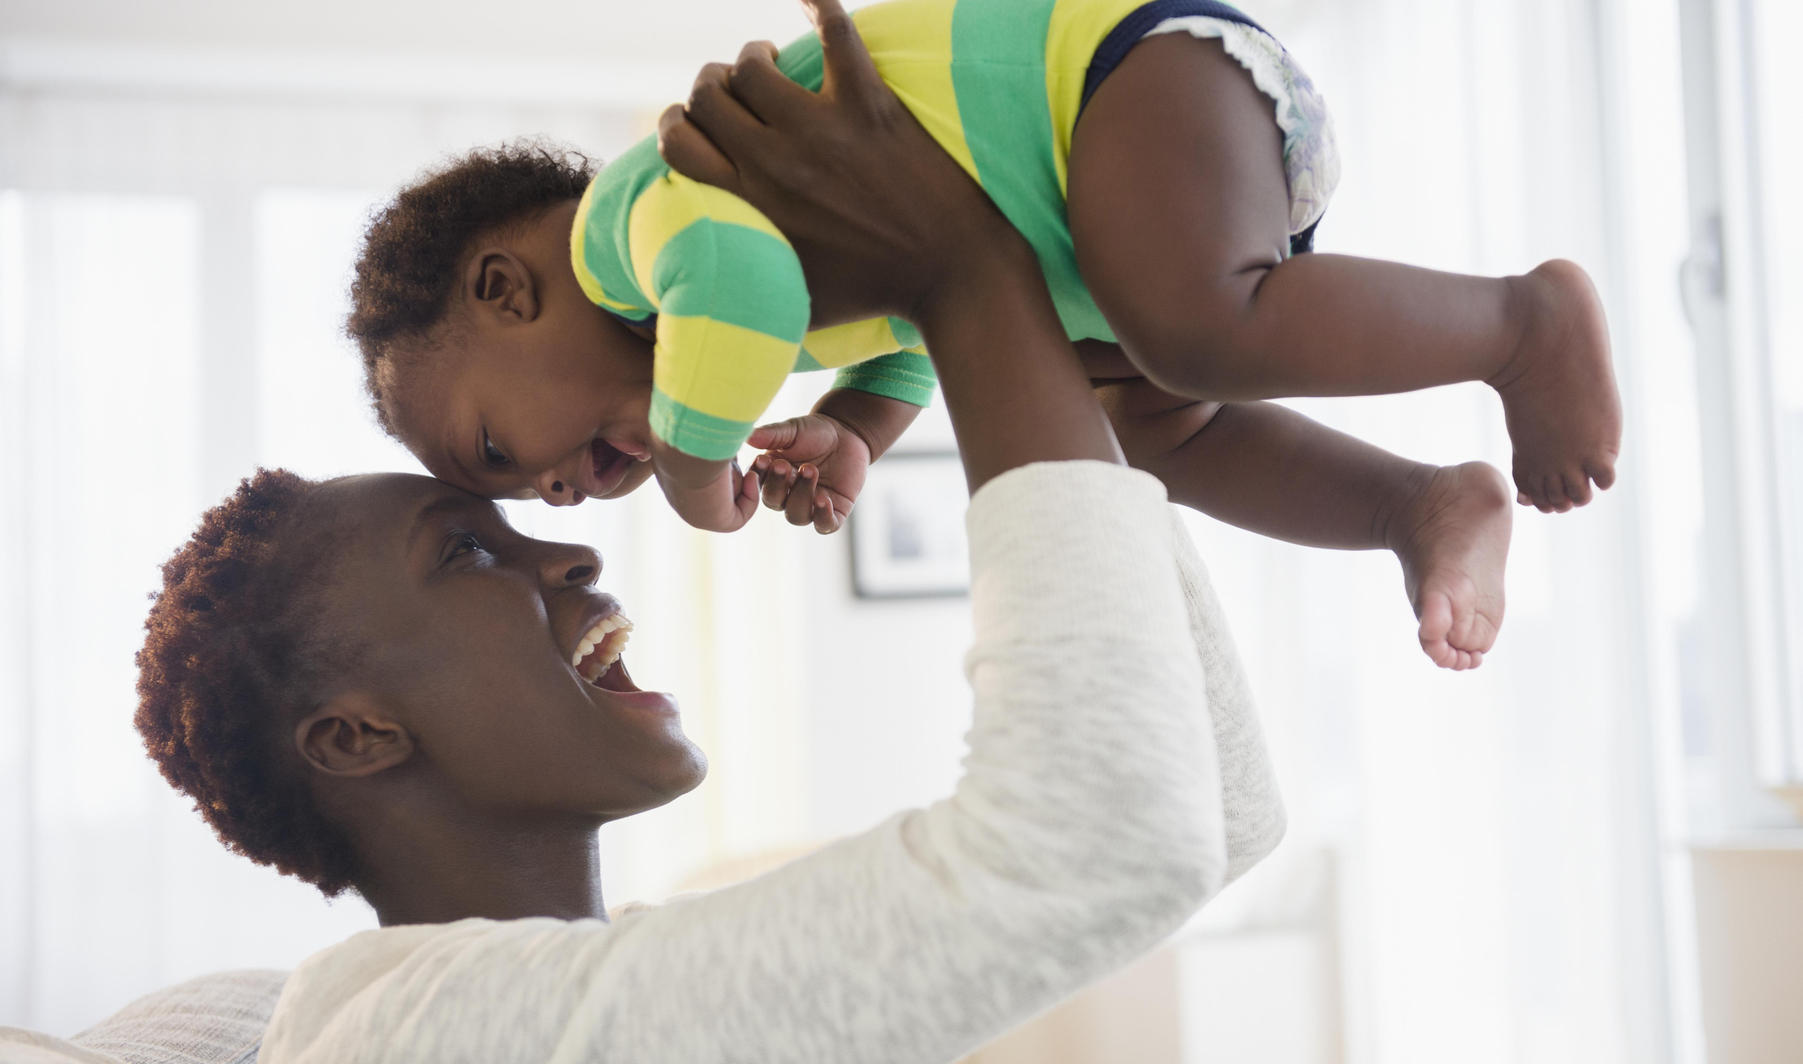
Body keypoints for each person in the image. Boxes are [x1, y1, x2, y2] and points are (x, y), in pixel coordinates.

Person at [131, 6, 1284, 1064]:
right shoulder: (398, 1054)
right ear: (355, 735)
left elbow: (1214, 817)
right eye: (467, 555)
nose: (575, 555)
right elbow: (1106, 845)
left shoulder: (647, 976)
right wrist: (971, 274)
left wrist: (1080, 380)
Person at [341, 0, 1622, 671]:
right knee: (1159, 426)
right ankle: (1416, 506)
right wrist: (854, 420)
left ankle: (1522, 325)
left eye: (503, 448)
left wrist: (692, 469)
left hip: (1112, 86)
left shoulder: (642, 217)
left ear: (509, 291)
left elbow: (738, 285)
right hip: (1112, 224)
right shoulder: (720, 307)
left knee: (1193, 338)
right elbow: (905, 317)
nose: (557, 493)